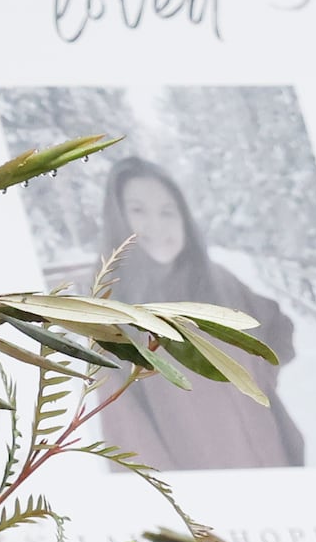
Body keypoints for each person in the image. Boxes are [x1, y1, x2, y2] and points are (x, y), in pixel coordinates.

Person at [87, 155, 304, 471]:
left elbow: (276, 325)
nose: (157, 224)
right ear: (117, 218)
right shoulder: (111, 315)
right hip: (211, 484)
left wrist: (260, 374)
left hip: (271, 455)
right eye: (138, 210)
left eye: (168, 211)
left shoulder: (217, 280)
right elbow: (130, 441)